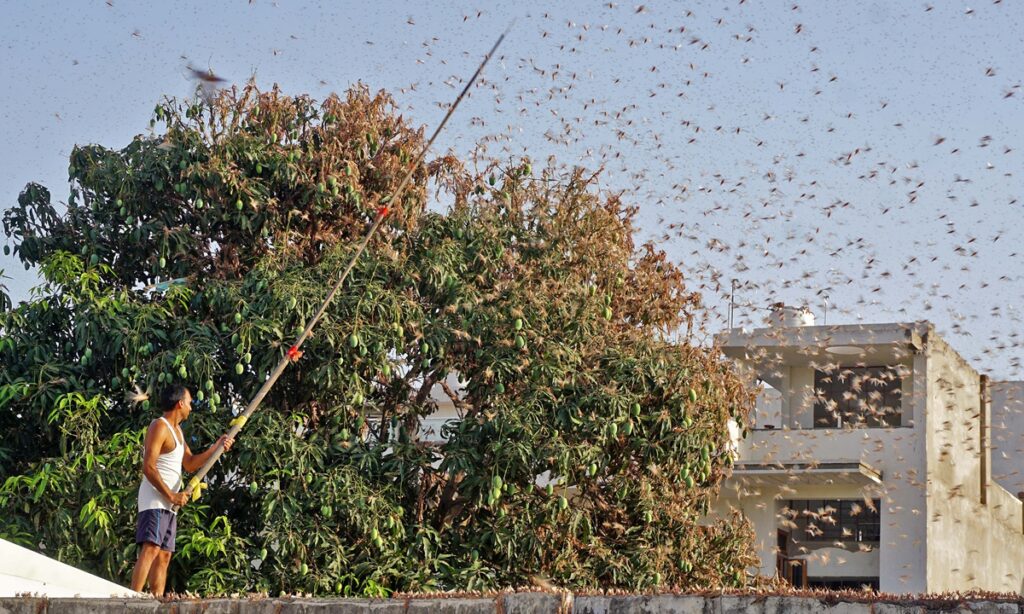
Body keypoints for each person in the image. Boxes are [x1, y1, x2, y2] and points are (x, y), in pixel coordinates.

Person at [129, 383, 234, 596]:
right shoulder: (159, 426)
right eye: (189, 403)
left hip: (170, 503)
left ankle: (156, 601)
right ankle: (132, 599)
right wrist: (171, 495)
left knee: (165, 554)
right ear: (180, 404)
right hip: (156, 499)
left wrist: (217, 447)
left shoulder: (178, 432)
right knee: (151, 548)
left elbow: (190, 463)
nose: (191, 408)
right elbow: (148, 467)